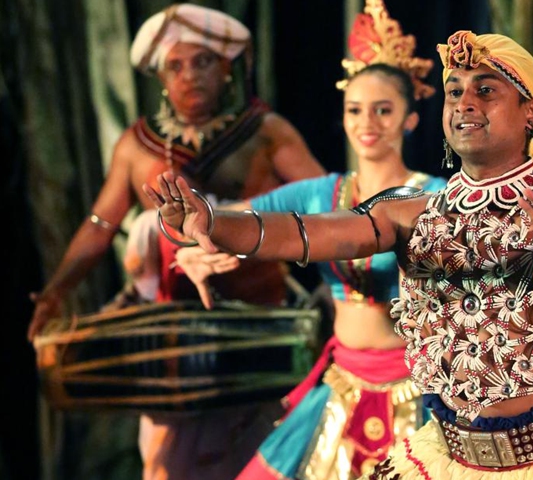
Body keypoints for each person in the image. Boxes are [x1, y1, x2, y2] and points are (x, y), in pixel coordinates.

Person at [146, 30, 533, 479]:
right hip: (445, 459)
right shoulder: (407, 211)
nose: (465, 102)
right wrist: (214, 224)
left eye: (486, 90)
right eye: (455, 92)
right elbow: (309, 234)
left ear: (530, 111)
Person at [28, 4, 325, 480]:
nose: (190, 76)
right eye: (176, 66)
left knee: (262, 464)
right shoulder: (136, 145)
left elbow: (325, 207)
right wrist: (56, 292)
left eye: (203, 61)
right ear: (161, 78)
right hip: (171, 349)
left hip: (261, 333)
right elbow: (100, 225)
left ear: (228, 68)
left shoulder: (266, 134)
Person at [174, 2, 446, 477]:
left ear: (410, 119)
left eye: (384, 110)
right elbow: (225, 220)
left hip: (420, 392)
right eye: (355, 110)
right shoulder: (323, 195)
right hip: (342, 386)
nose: (368, 123)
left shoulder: (438, 198)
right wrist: (193, 245)